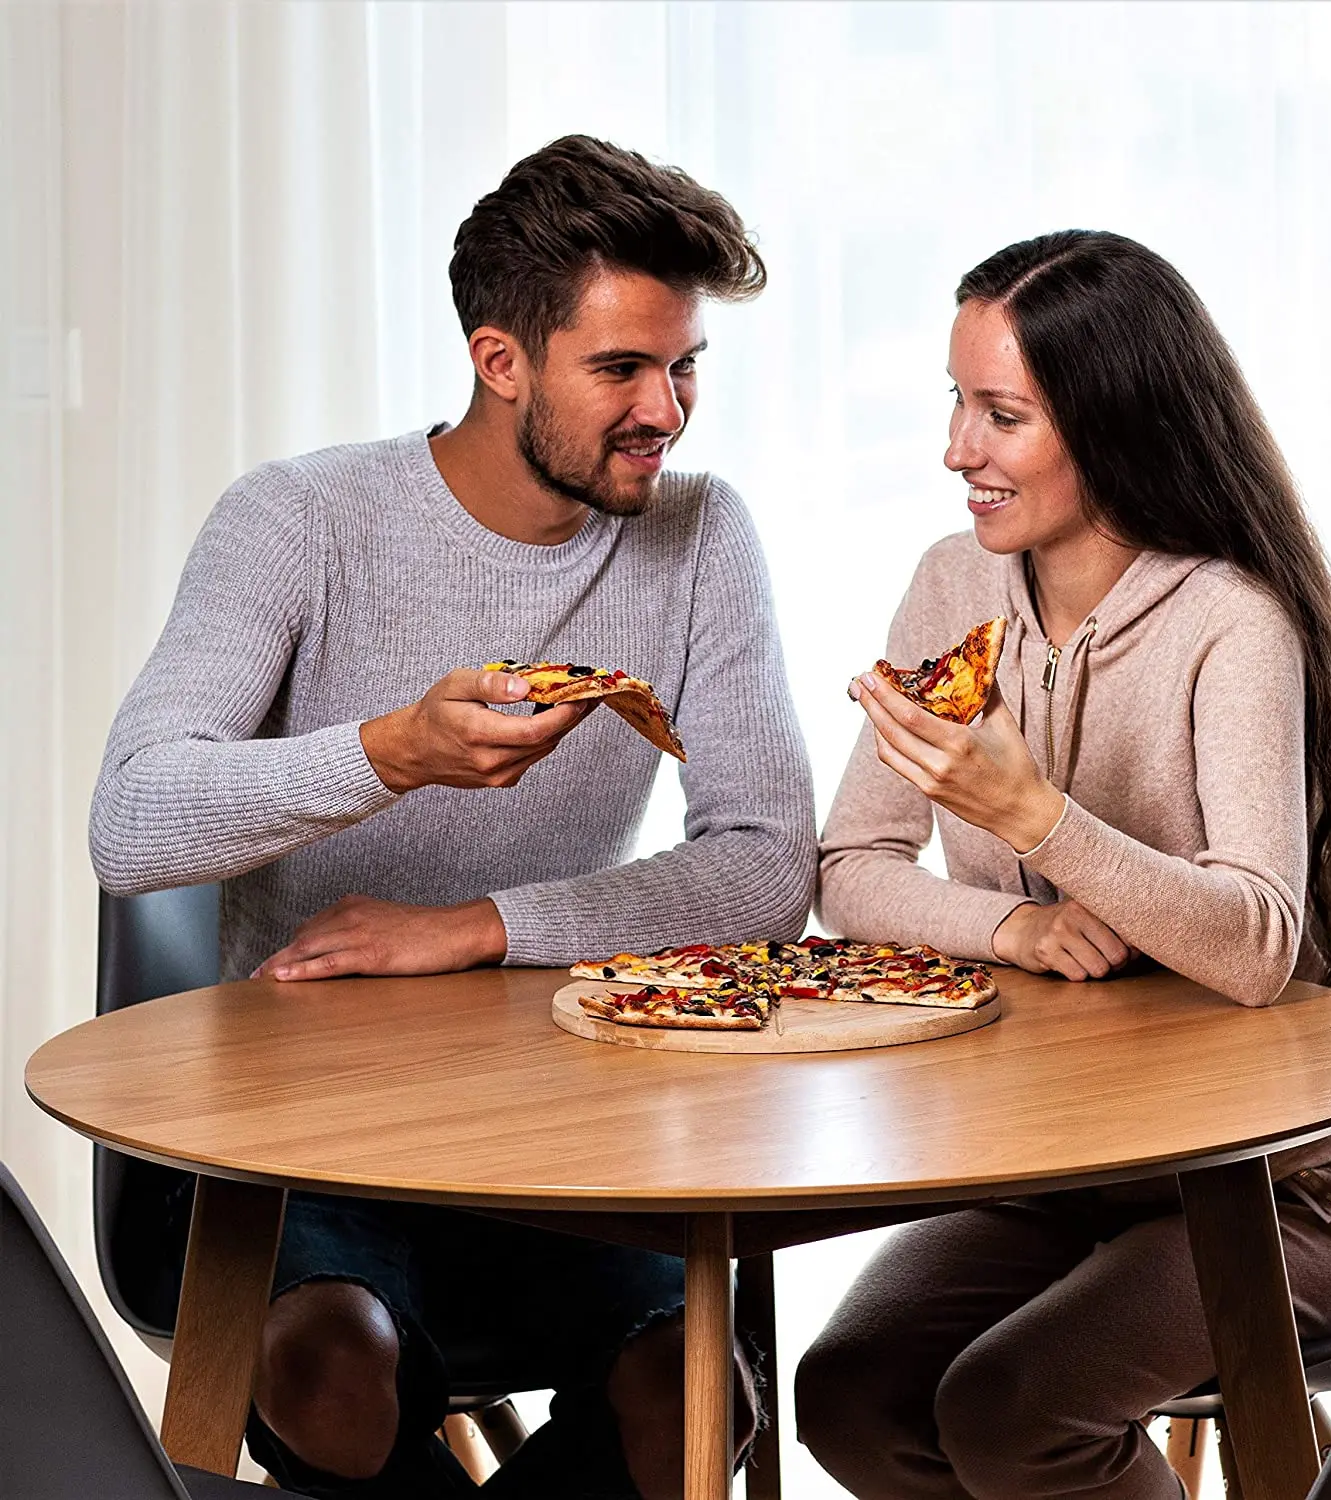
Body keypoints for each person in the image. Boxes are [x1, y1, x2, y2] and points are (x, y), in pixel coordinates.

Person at [90, 135, 815, 1499]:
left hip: (565, 1140)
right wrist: (392, 751)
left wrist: (482, 927)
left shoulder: (699, 536)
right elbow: (132, 822)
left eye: (686, 366)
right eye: (620, 370)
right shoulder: (297, 522)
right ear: (500, 362)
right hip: (302, 1144)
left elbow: (767, 865)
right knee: (325, 1369)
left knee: (694, 1399)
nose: (665, 409)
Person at [794, 230, 1331, 1500]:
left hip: (1266, 1194)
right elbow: (851, 865)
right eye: (955, 402)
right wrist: (1012, 931)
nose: (956, 450)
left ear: (1111, 420)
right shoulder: (948, 587)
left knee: (1011, 1411)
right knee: (847, 1398)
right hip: (1051, 1169)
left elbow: (1255, 945)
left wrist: (1038, 824)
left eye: (1001, 415)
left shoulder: (1227, 623)